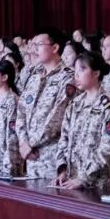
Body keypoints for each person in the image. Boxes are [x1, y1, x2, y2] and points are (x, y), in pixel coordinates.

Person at [54, 51, 110, 192]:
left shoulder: (109, 106)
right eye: (75, 70)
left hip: (97, 184)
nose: (76, 75)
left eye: (82, 69)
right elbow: (64, 139)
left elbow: (109, 148)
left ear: (96, 73)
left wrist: (84, 178)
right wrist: (62, 169)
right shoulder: (75, 104)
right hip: (71, 181)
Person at [17, 28, 77, 179]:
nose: (34, 50)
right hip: (31, 159)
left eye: (39, 45)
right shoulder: (34, 77)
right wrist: (23, 142)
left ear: (55, 48)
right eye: (33, 45)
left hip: (52, 159)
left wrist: (30, 144)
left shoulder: (68, 78)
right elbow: (21, 110)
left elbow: (57, 118)